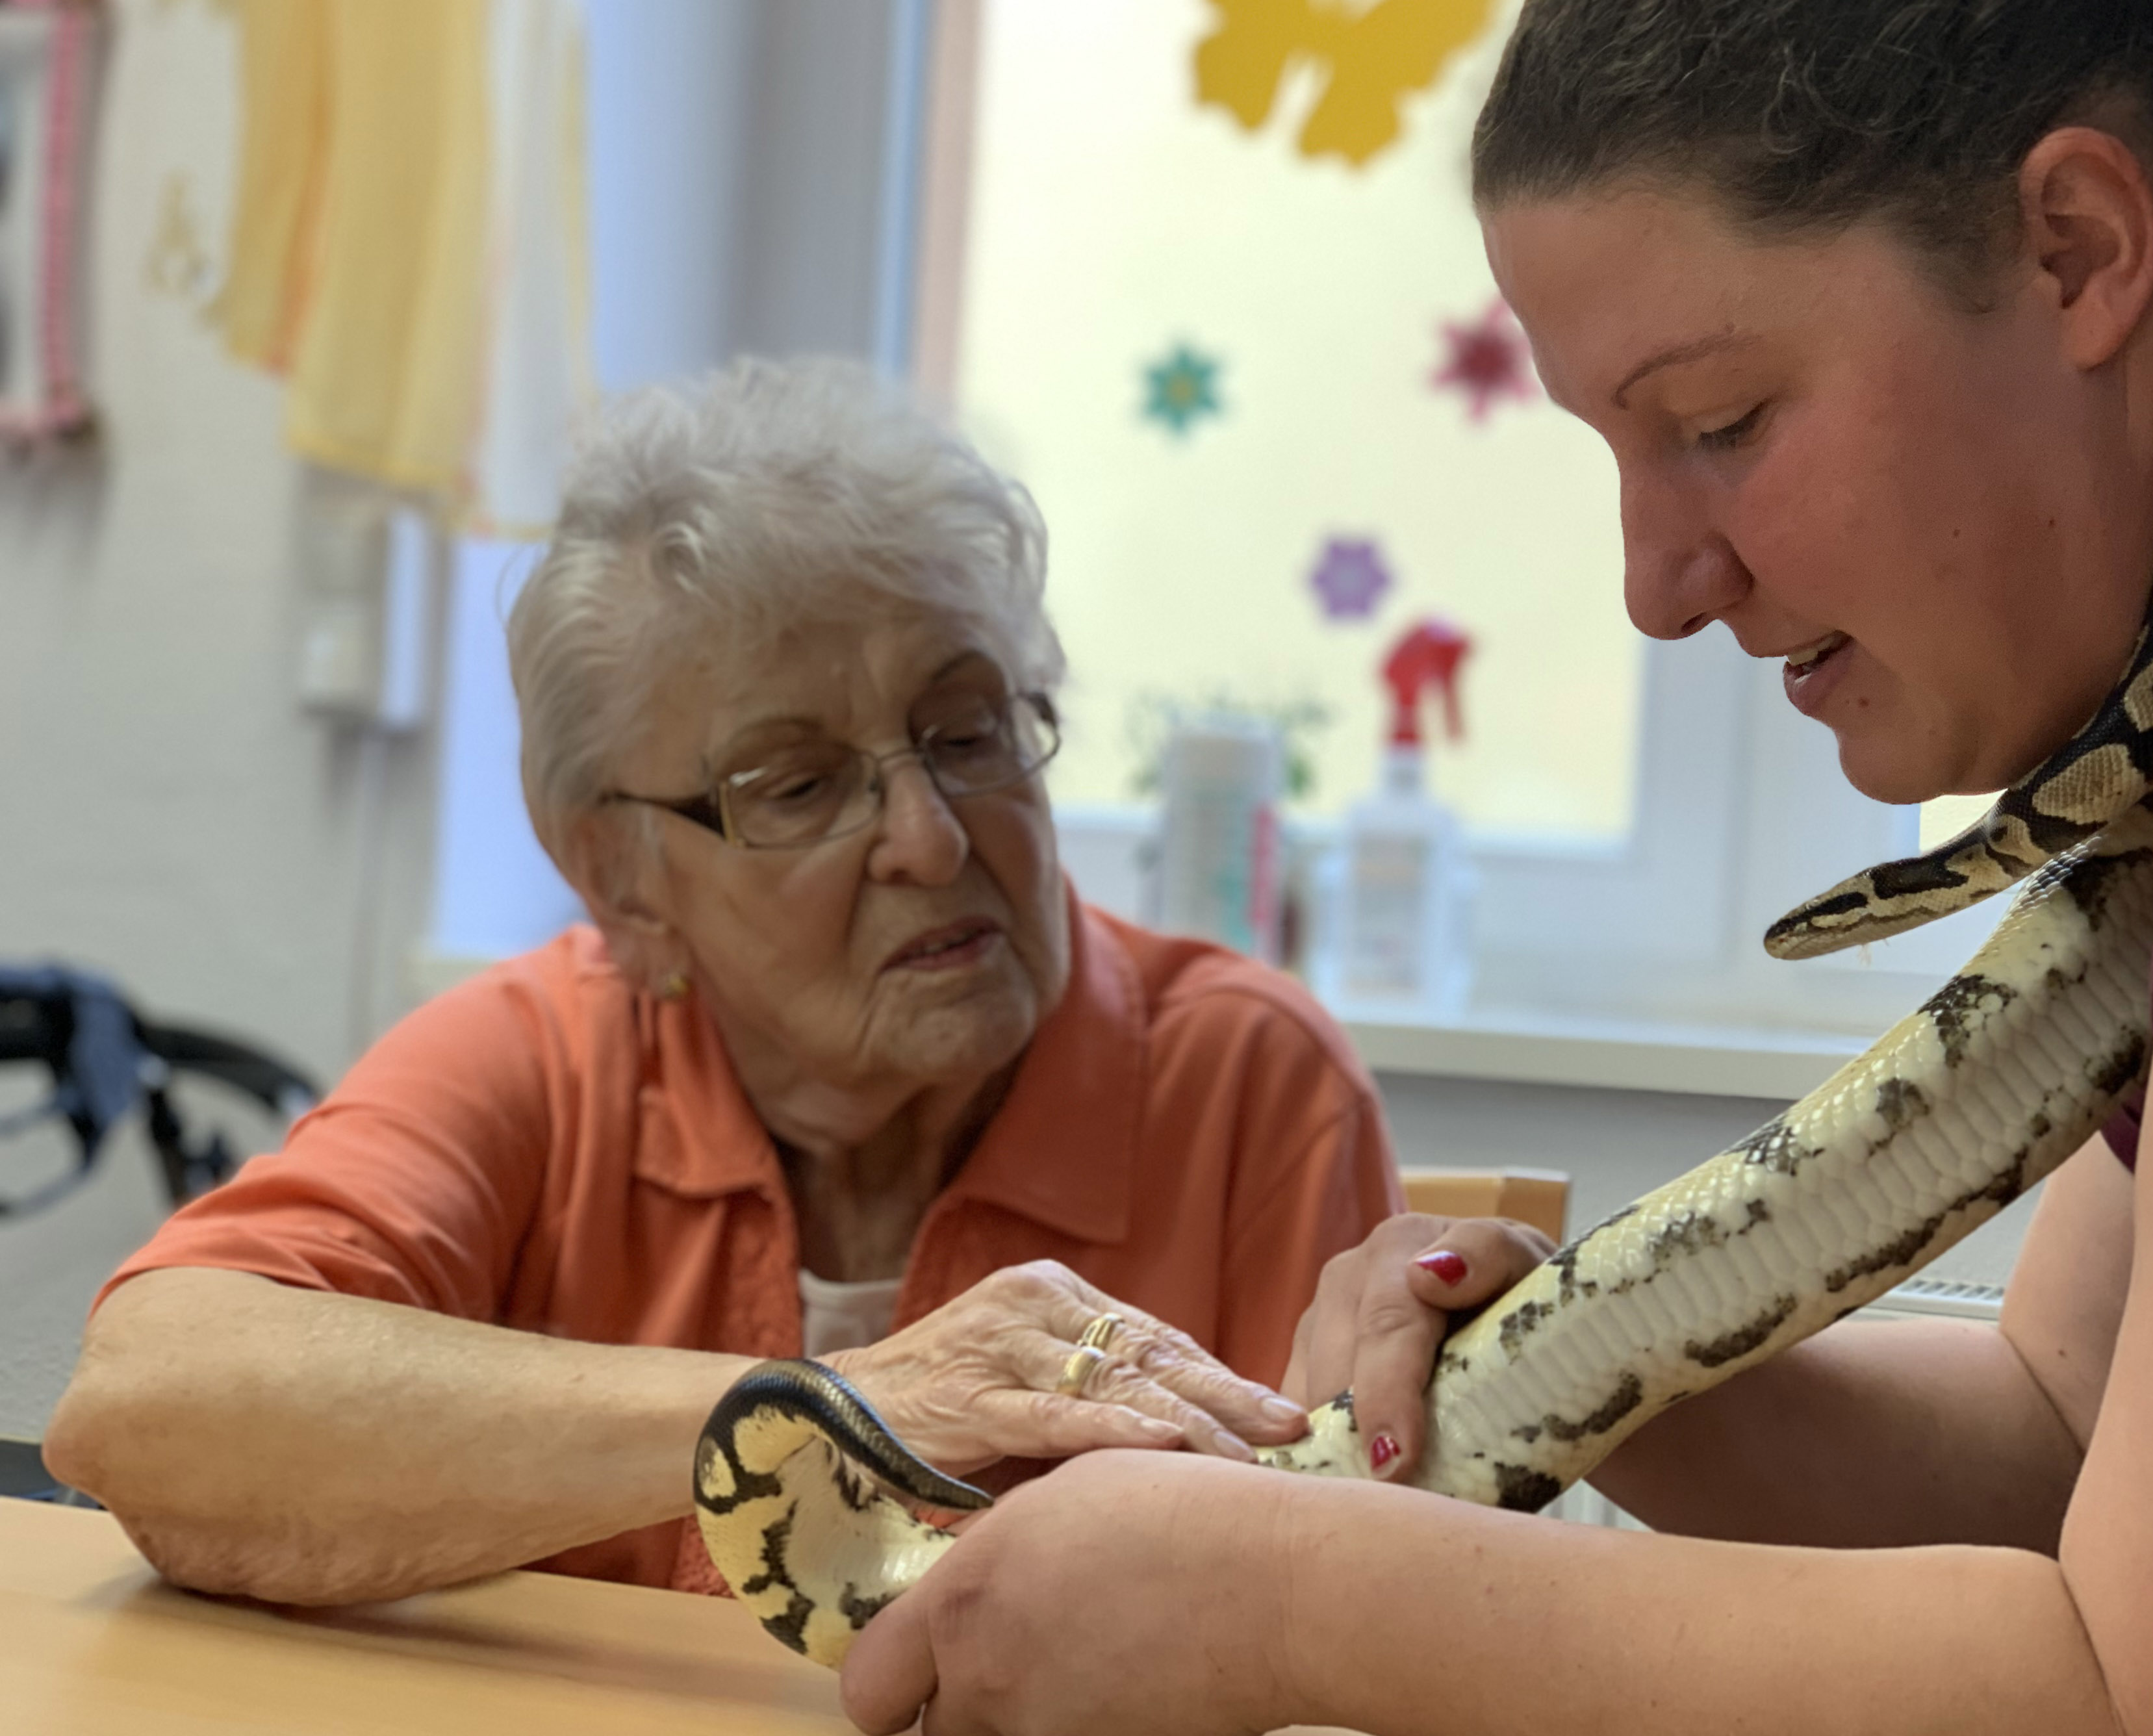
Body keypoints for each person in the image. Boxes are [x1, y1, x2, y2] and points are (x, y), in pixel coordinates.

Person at [828, 4, 2153, 1733]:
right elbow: (2066, 1437)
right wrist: (1587, 1360)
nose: (1656, 586)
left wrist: (1279, 1601)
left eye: (1723, 421)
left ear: (2073, 248)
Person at [40, 359, 1403, 1606]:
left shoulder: (1246, 1082)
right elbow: (149, 1402)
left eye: (971, 729)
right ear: (624, 879)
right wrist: (826, 1405)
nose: (933, 839)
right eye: (800, 785)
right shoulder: (547, 1055)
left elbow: (1349, 1609)